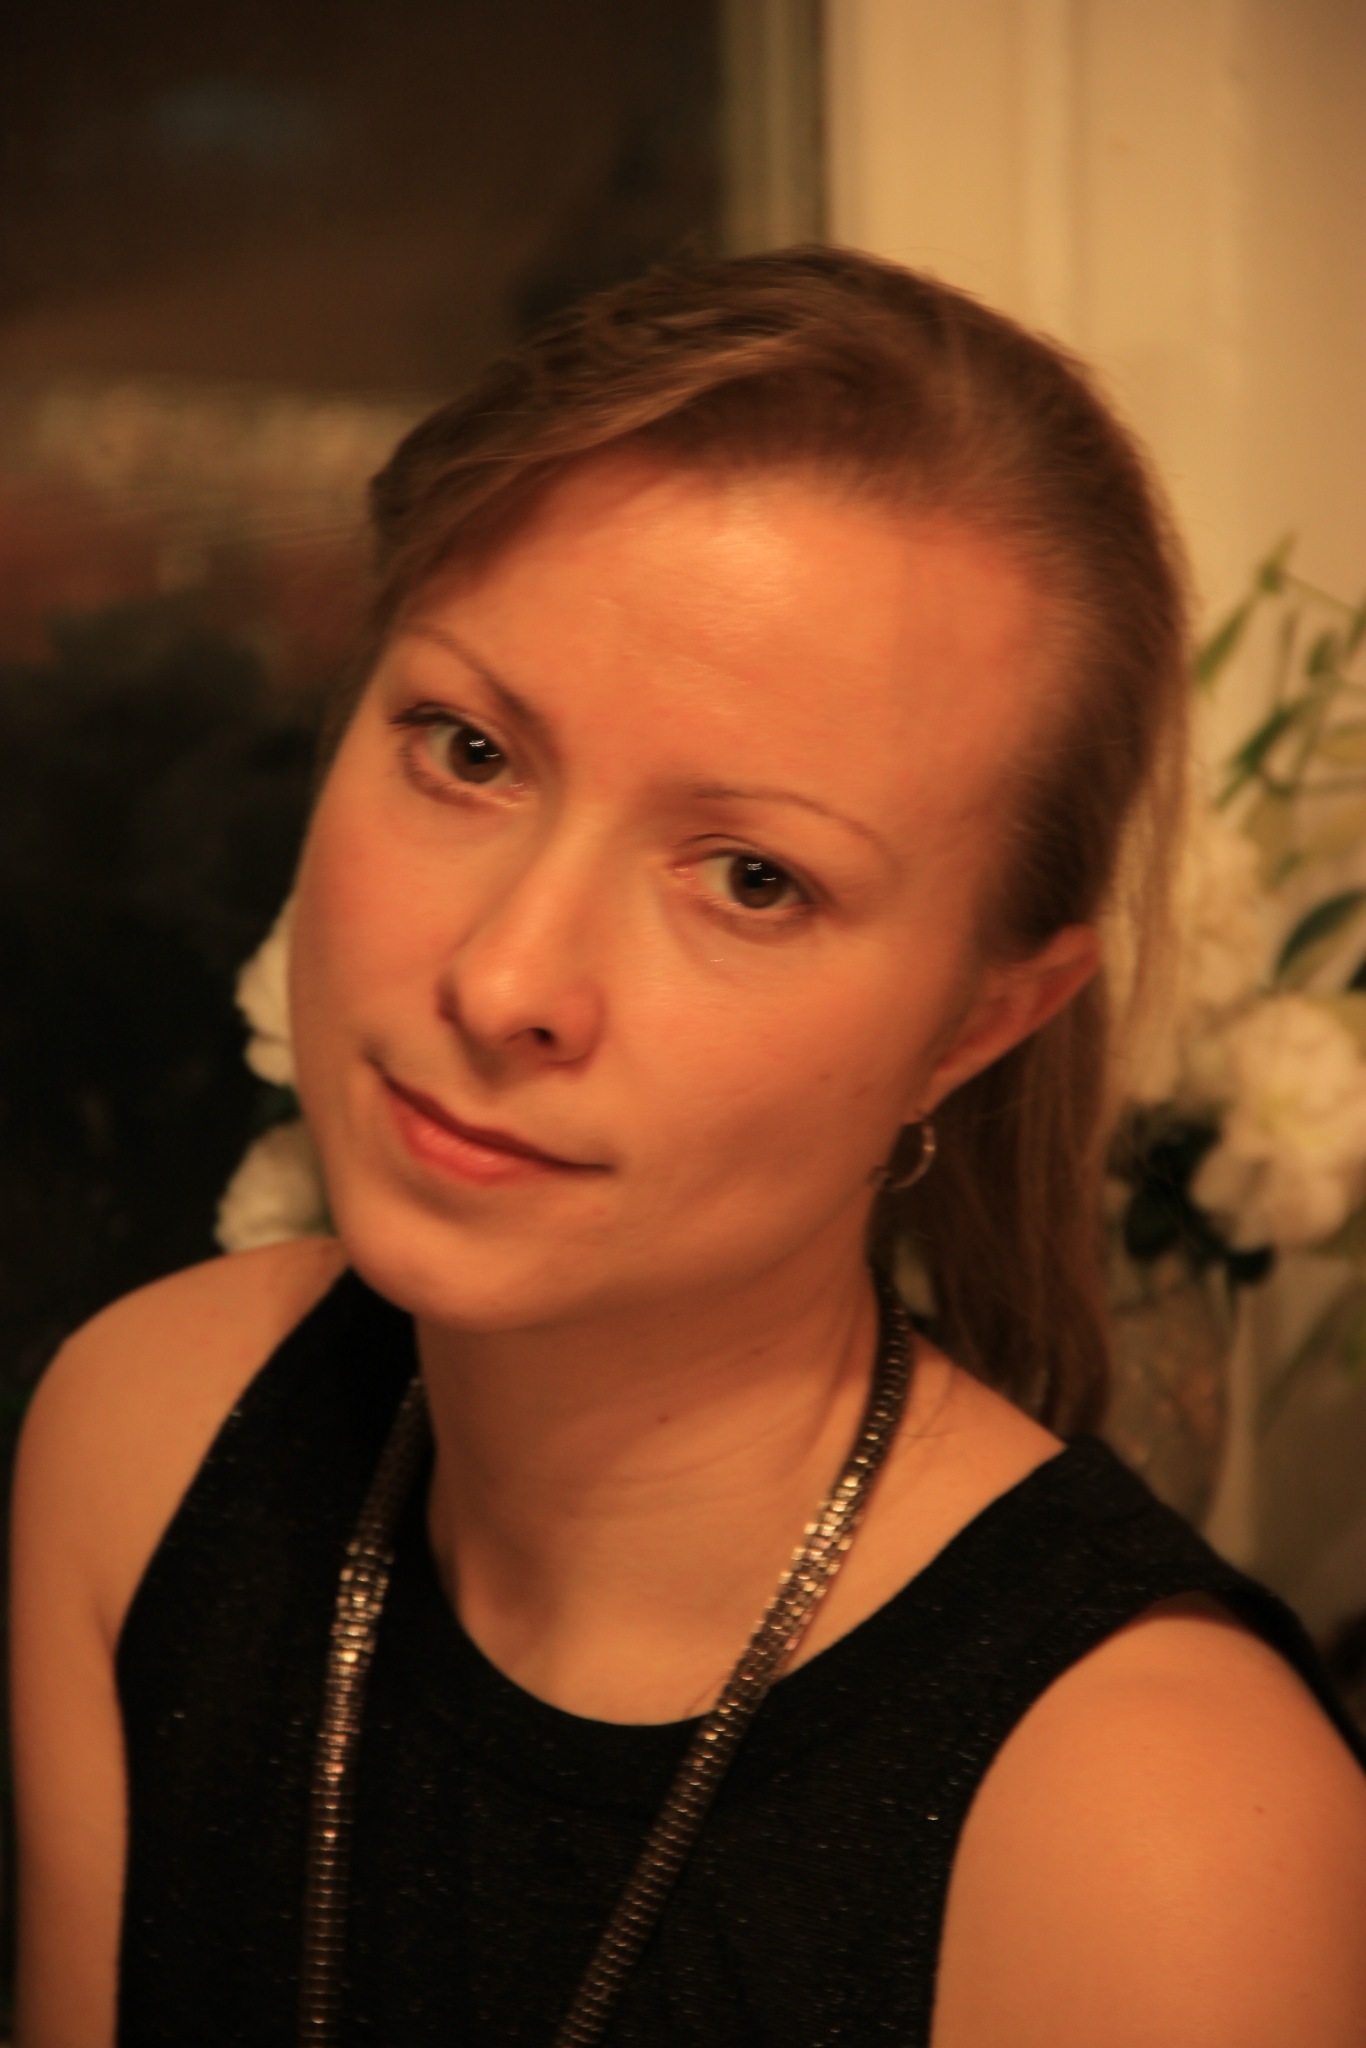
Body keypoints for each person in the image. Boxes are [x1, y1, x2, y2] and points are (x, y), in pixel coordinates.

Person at [12, 246, 1366, 2048]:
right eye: (467, 749)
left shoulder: (1152, 1829)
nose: (506, 979)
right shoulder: (147, 1442)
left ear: (978, 1023)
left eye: (751, 878)